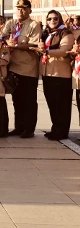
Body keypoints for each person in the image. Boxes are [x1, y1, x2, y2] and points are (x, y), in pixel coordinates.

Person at [1, 0, 42, 138]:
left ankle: (29, 128)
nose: (20, 11)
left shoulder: (34, 25)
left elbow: (35, 45)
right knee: (16, 99)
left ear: (30, 10)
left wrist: (16, 46)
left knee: (29, 100)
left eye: (24, 9)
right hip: (13, 67)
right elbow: (3, 37)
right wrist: (7, 41)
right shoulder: (11, 23)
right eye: (18, 8)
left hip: (28, 69)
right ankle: (18, 127)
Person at [31, 10, 73, 140]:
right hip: (47, 73)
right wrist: (39, 49)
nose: (52, 21)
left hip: (61, 74)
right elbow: (40, 49)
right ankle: (55, 128)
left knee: (62, 105)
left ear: (59, 19)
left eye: (55, 18)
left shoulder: (66, 33)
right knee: (52, 104)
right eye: (49, 19)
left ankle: (62, 132)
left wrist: (46, 51)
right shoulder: (46, 34)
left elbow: (64, 50)